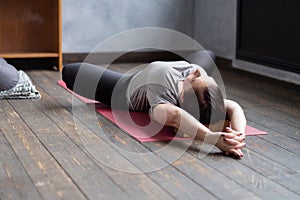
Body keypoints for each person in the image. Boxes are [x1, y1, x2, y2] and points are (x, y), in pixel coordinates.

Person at [62, 51, 246, 158]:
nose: (197, 72)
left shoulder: (176, 94)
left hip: (136, 88)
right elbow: (175, 117)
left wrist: (233, 140)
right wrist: (224, 137)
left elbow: (233, 107)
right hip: (130, 85)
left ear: (181, 98)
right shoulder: (177, 83)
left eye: (199, 77)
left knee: (70, 72)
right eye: (200, 75)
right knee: (207, 54)